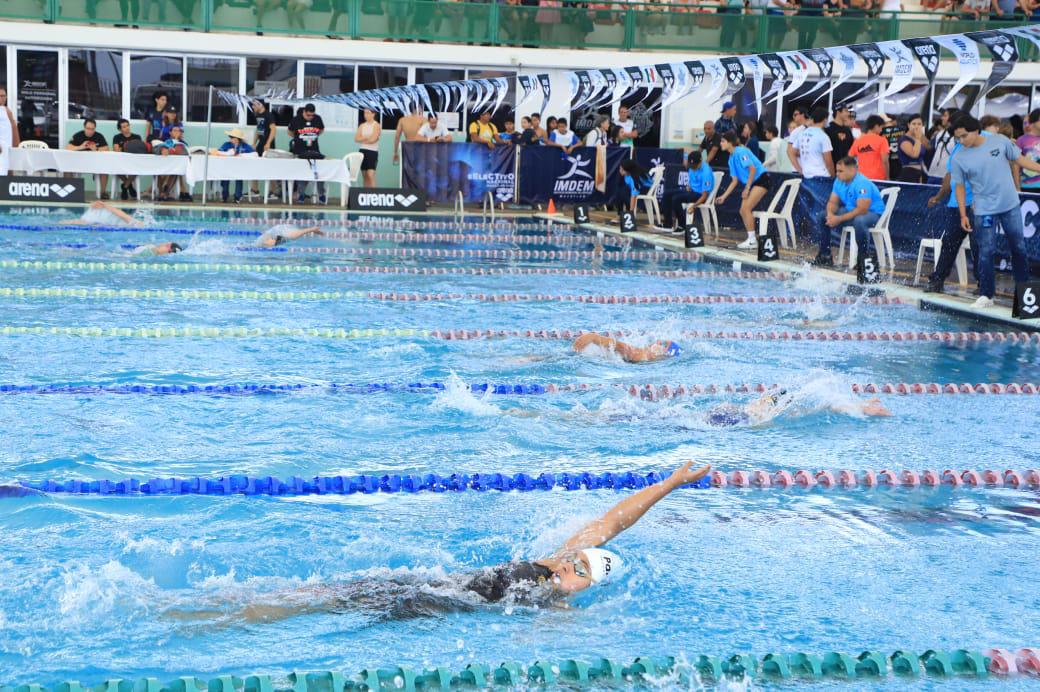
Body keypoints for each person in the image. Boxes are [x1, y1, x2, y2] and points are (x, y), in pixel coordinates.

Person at [168, 461, 712, 624]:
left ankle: (213, 613)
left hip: (431, 600)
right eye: (578, 558)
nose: (572, 561)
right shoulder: (554, 573)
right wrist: (667, 485)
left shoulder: (557, 602)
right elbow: (614, 520)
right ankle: (208, 611)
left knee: (320, 603)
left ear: (584, 583)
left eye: (581, 568)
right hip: (425, 590)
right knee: (321, 596)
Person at [950, 115, 1040, 308]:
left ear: (975, 131)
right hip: (984, 210)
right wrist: (963, 214)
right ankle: (986, 295)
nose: (961, 141)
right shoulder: (959, 157)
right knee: (986, 251)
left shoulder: (1000, 141)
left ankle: (1025, 295)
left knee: (1019, 248)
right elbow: (958, 186)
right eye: (958, 138)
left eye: (964, 136)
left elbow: (1021, 161)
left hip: (1010, 205)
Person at [814, 156, 886, 268]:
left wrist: (839, 219)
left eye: (840, 171)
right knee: (822, 216)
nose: (837, 173)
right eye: (837, 170)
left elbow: (862, 209)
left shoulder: (862, 182)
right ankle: (825, 255)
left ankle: (863, 259)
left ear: (852, 170)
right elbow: (833, 202)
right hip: (852, 211)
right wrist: (830, 215)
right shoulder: (838, 181)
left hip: (873, 214)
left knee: (859, 221)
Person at [706, 390, 891, 427]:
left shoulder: (764, 415)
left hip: (739, 416)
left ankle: (858, 406)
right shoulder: (761, 413)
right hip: (736, 415)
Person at [715, 131, 770, 250]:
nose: (720, 143)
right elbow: (734, 181)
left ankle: (752, 241)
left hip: (761, 179)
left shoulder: (740, 151)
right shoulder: (730, 158)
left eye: (723, 141)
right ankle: (751, 239)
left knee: (745, 208)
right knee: (742, 210)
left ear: (730, 143)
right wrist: (724, 196)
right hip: (753, 182)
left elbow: (753, 169)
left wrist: (747, 188)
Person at [660, 150, 714, 233]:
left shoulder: (706, 172)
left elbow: (704, 196)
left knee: (676, 198)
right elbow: (693, 181)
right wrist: (689, 186)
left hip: (700, 195)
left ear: (700, 162)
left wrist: (694, 206)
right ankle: (668, 224)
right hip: (691, 191)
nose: (693, 167)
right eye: (691, 165)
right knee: (667, 194)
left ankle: (682, 226)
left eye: (695, 166)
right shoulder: (691, 166)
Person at [289, 103, 326, 204]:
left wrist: (314, 135)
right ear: (304, 112)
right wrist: (299, 138)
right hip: (300, 151)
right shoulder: (296, 119)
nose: (310, 117)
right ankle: (301, 194)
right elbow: (290, 132)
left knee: (319, 172)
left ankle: (321, 194)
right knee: (301, 174)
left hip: (314, 150)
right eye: (308, 115)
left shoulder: (317, 119)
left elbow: (322, 129)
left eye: (312, 115)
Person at [67, 118, 111, 200]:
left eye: (92, 129)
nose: (90, 131)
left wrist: (96, 149)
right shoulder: (77, 135)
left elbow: (106, 148)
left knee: (105, 168)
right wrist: (80, 147)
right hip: (79, 163)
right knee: (66, 167)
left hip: (95, 164)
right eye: (88, 128)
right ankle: (69, 191)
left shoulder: (99, 136)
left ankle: (103, 192)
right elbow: (68, 147)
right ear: (84, 127)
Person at [572, 332, 682, 363]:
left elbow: (593, 337)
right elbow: (592, 337)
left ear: (664, 354)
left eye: (662, 344)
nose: (657, 342)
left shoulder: (639, 355)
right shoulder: (637, 354)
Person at [212, 128, 256, 204]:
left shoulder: (245, 146)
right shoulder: (227, 144)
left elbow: (255, 154)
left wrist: (241, 155)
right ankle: (224, 196)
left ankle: (237, 197)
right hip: (227, 168)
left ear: (237, 139)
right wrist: (228, 153)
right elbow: (217, 152)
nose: (230, 139)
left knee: (239, 179)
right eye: (230, 137)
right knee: (225, 179)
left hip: (239, 169)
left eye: (232, 137)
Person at [790, 106, 834, 179]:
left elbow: (791, 152)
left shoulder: (802, 133)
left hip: (806, 175)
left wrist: (800, 170)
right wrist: (833, 176)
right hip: (822, 176)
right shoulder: (823, 136)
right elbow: (828, 161)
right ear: (825, 120)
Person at [153, 124, 190, 202]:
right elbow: (162, 148)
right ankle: (161, 192)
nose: (177, 132)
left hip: (176, 166)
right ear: (170, 133)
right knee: (159, 173)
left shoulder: (184, 143)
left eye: (179, 131)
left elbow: (187, 152)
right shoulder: (167, 141)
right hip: (164, 164)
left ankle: (165, 193)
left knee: (175, 172)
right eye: (175, 130)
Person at [848, 115, 890, 181]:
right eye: (881, 128)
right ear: (876, 126)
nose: (881, 130)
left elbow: (850, 157)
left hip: (861, 178)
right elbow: (885, 161)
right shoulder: (882, 140)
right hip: (878, 178)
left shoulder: (858, 140)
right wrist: (887, 177)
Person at [111, 118, 144, 200]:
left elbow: (140, 150)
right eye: (124, 127)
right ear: (120, 129)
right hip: (121, 161)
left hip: (134, 161)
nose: (127, 128)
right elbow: (116, 150)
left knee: (137, 167)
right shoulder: (117, 137)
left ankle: (125, 187)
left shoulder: (137, 137)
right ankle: (129, 185)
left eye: (127, 125)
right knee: (114, 167)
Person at [251, 99, 277, 199]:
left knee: (270, 168)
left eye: (254, 105)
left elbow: (273, 129)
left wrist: (268, 143)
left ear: (260, 105)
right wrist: (254, 143)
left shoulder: (268, 115)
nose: (253, 107)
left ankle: (273, 192)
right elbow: (258, 129)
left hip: (267, 145)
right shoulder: (258, 115)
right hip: (260, 145)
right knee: (255, 166)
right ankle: (255, 190)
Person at [896, 115, 931, 183]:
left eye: (919, 124)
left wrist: (921, 136)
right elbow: (914, 154)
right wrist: (918, 139)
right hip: (909, 173)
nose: (916, 126)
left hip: (921, 172)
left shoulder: (919, 137)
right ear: (909, 125)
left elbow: (928, 147)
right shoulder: (904, 139)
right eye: (914, 124)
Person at [60, 200, 143, 227]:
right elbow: (119, 213)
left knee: (81, 222)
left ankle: (62, 222)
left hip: (105, 220)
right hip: (105, 216)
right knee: (83, 222)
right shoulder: (132, 221)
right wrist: (104, 205)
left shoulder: (132, 223)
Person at [354, 108, 381, 188]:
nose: (366, 115)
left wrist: (363, 138)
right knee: (365, 175)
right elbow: (356, 139)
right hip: (362, 151)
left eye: (368, 113)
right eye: (365, 113)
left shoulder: (376, 125)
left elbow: (373, 140)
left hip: (372, 152)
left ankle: (374, 195)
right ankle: (366, 194)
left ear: (373, 114)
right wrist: (367, 138)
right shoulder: (362, 125)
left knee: (370, 174)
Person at [1016, 108, 1040, 193]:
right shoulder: (1021, 140)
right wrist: (1017, 187)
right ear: (1033, 122)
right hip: (1028, 187)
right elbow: (1016, 165)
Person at [0, 85, 19, 177]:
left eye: (4, 96)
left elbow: (13, 127)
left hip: (8, 149)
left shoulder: (7, 111)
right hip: (1, 149)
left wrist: (16, 145)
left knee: (8, 174)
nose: (2, 98)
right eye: (0, 96)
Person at [257, 225, 324, 248]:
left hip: (277, 232)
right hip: (278, 230)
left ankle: (312, 229)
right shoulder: (259, 243)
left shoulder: (261, 243)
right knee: (289, 238)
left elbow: (271, 242)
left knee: (291, 237)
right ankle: (311, 229)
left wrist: (310, 230)